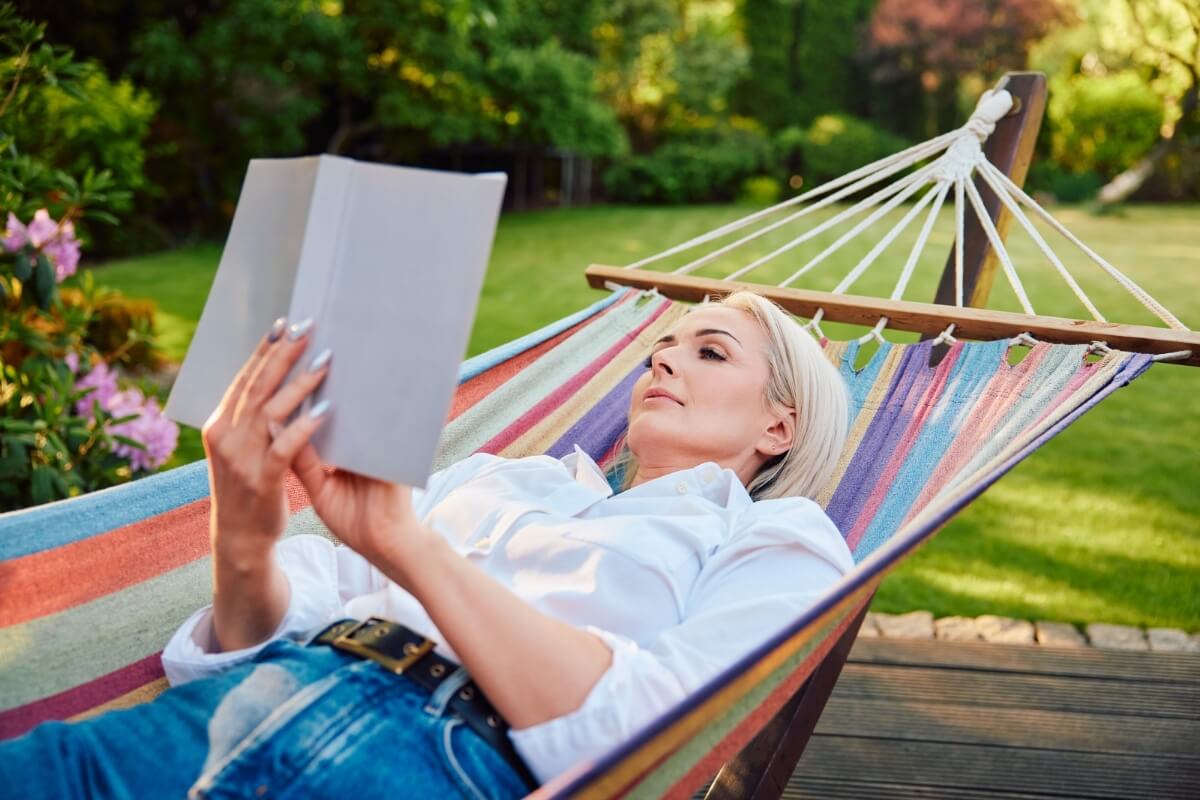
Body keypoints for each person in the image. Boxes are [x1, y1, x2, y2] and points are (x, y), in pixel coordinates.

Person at [0, 291, 853, 799]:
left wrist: (413, 552)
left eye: (709, 352)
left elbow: (659, 726)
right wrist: (245, 537)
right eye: (660, 349)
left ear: (779, 425)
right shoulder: (512, 476)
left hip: (439, 762)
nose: (663, 364)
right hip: (252, 697)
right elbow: (299, 600)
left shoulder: (779, 538)